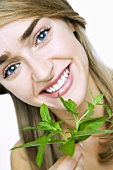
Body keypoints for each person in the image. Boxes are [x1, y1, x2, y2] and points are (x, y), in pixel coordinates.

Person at [0, 0, 113, 169]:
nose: (42, 73)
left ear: (68, 21)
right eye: (11, 68)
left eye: (41, 36)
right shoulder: (24, 159)